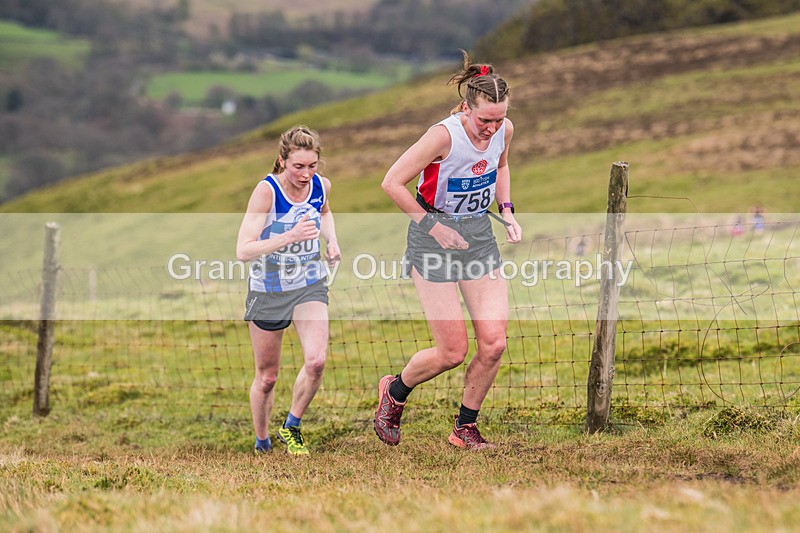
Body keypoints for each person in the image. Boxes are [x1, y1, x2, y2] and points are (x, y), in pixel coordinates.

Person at [375, 52, 522, 450]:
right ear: (466, 107)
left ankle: (464, 428)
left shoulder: (504, 129)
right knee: (452, 351)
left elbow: (502, 167)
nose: (491, 128)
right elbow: (392, 183)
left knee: (494, 343)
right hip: (431, 239)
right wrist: (434, 227)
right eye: (484, 120)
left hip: (477, 235)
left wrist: (506, 211)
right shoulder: (443, 136)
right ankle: (395, 391)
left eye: (498, 119)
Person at [236, 125, 340, 455]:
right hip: (268, 289)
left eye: (312, 166)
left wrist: (332, 240)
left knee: (317, 361)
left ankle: (291, 425)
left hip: (308, 285)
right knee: (267, 377)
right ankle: (262, 441)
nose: (306, 174)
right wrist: (288, 237)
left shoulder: (321, 186)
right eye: (298, 167)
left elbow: (324, 213)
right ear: (282, 161)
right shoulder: (266, 192)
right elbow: (243, 249)